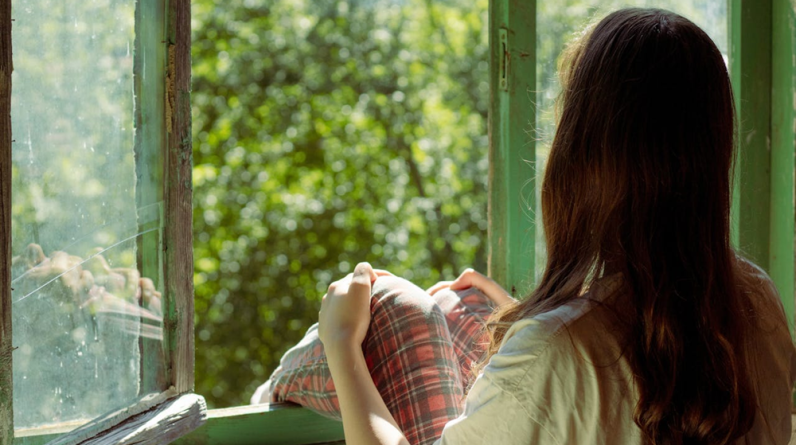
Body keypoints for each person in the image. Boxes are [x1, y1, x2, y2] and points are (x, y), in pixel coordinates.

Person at [252, 8, 796, 445]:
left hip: (541, 357)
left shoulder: (559, 355)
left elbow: (576, 374)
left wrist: (344, 344)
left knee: (397, 306)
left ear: (583, 157)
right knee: (462, 316)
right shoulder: (755, 303)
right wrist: (545, 315)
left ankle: (270, 396)